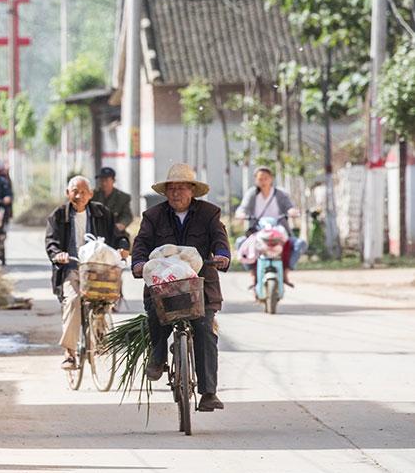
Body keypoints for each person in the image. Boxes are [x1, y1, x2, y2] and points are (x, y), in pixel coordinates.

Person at [131, 163, 230, 412]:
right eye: (172, 189)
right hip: (162, 286)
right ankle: (158, 356)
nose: (177, 193)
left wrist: (221, 255)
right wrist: (139, 263)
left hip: (200, 287)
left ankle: (208, 393)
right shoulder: (152, 216)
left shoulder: (210, 214)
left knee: (205, 329)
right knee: (156, 316)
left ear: (192, 191)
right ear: (166, 192)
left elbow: (220, 239)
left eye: (182, 188)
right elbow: (141, 243)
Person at [46, 176, 130, 370]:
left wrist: (123, 247)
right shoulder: (58, 215)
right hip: (71, 269)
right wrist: (58, 254)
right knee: (74, 300)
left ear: (91, 194)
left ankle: (100, 337)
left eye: (84, 192)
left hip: (97, 270)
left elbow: (120, 236)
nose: (79, 195)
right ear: (68, 193)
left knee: (103, 301)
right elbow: (51, 241)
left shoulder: (102, 213)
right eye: (75, 191)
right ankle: (69, 352)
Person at [235, 166, 304, 287]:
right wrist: (240, 213)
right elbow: (243, 207)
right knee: (240, 243)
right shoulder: (252, 193)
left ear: (271, 179)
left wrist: (293, 211)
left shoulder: (280, 194)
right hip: (257, 231)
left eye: (265, 178)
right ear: (256, 180)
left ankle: (286, 271)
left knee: (300, 244)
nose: (263, 181)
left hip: (279, 231)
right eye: (260, 179)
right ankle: (253, 273)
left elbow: (290, 206)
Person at [92, 167, 132, 241]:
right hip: (95, 231)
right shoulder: (92, 195)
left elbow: (127, 215)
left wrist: (122, 224)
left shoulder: (123, 197)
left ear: (113, 180)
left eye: (106, 180)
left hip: (115, 232)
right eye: (101, 180)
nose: (104, 183)